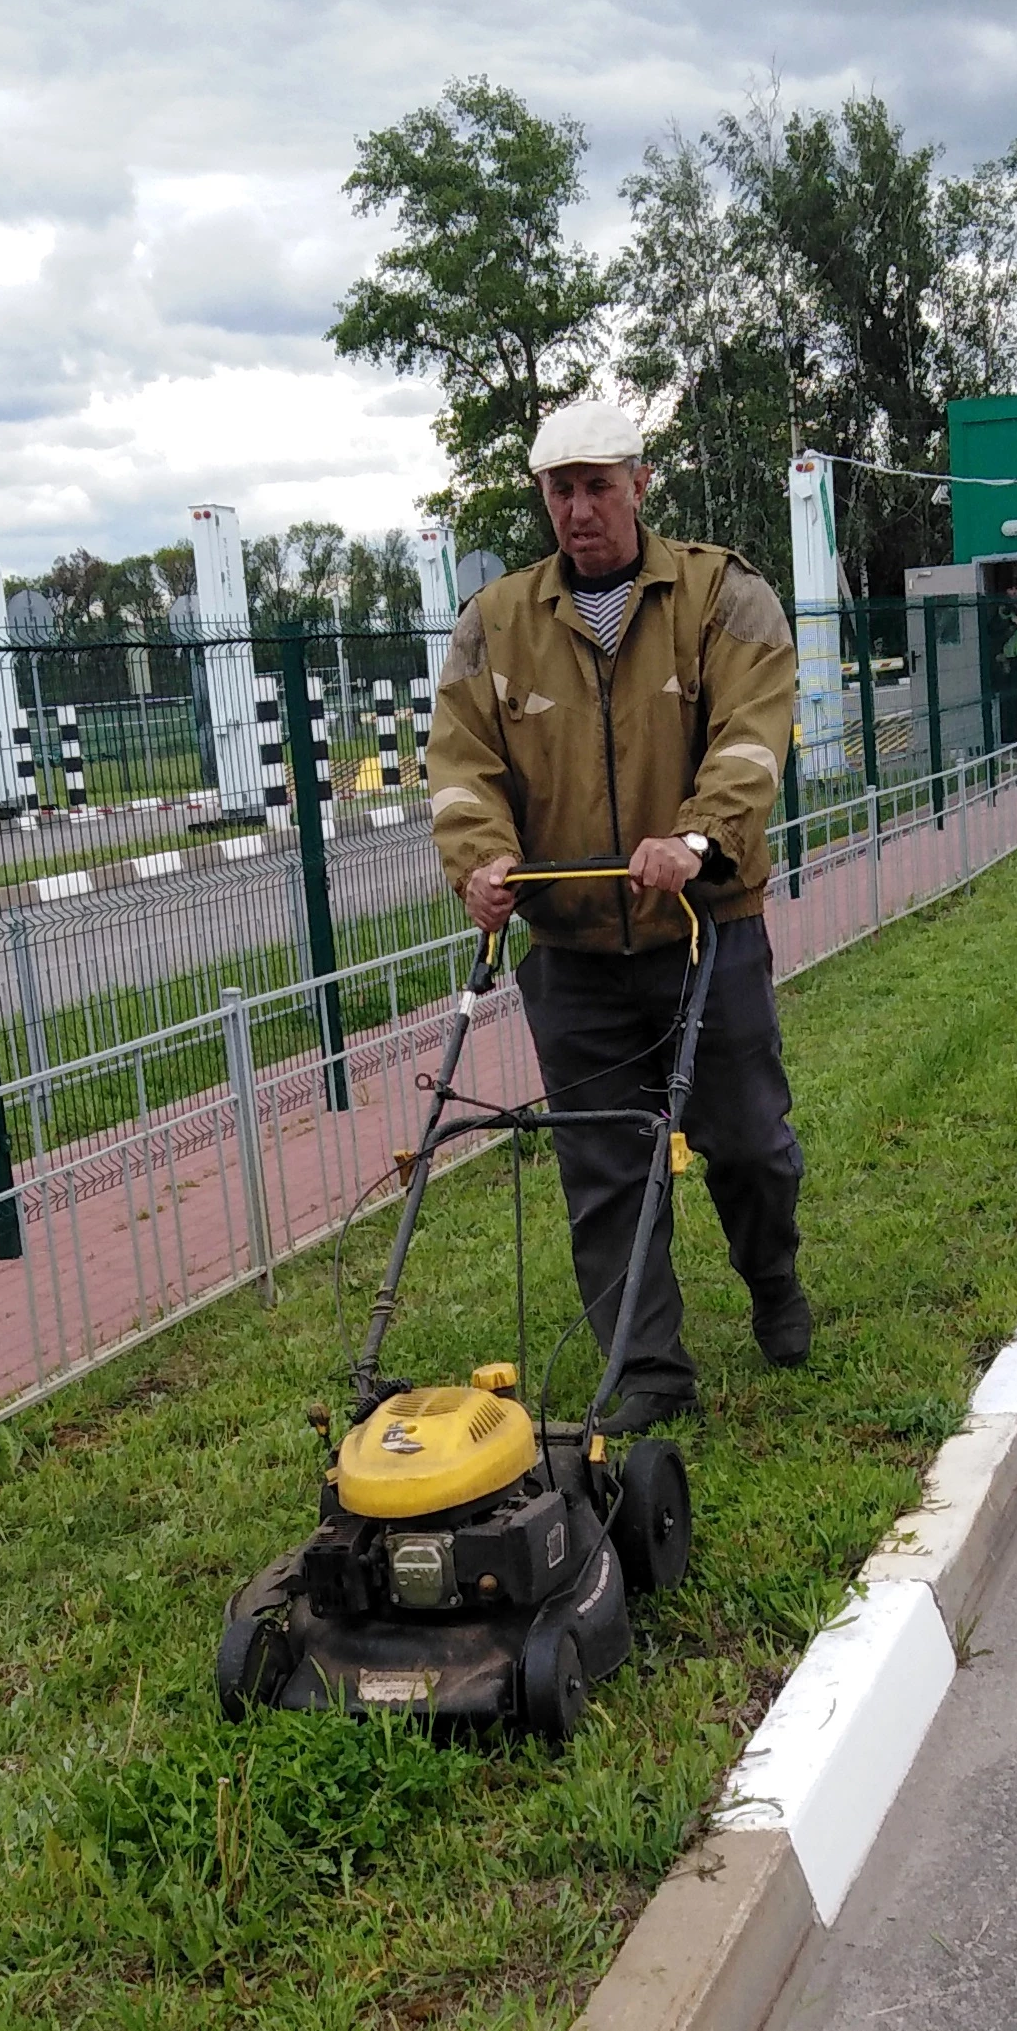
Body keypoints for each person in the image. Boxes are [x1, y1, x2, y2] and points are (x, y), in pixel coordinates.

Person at [424, 397, 811, 1426]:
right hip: (574, 952)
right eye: (563, 489)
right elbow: (460, 765)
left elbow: (752, 734)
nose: (581, 508)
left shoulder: (725, 596)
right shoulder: (494, 625)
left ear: (641, 484)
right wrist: (481, 859)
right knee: (602, 1164)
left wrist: (692, 839)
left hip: (704, 930)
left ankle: (773, 1280)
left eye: (600, 484)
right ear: (543, 498)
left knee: (751, 1144)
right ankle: (646, 1371)